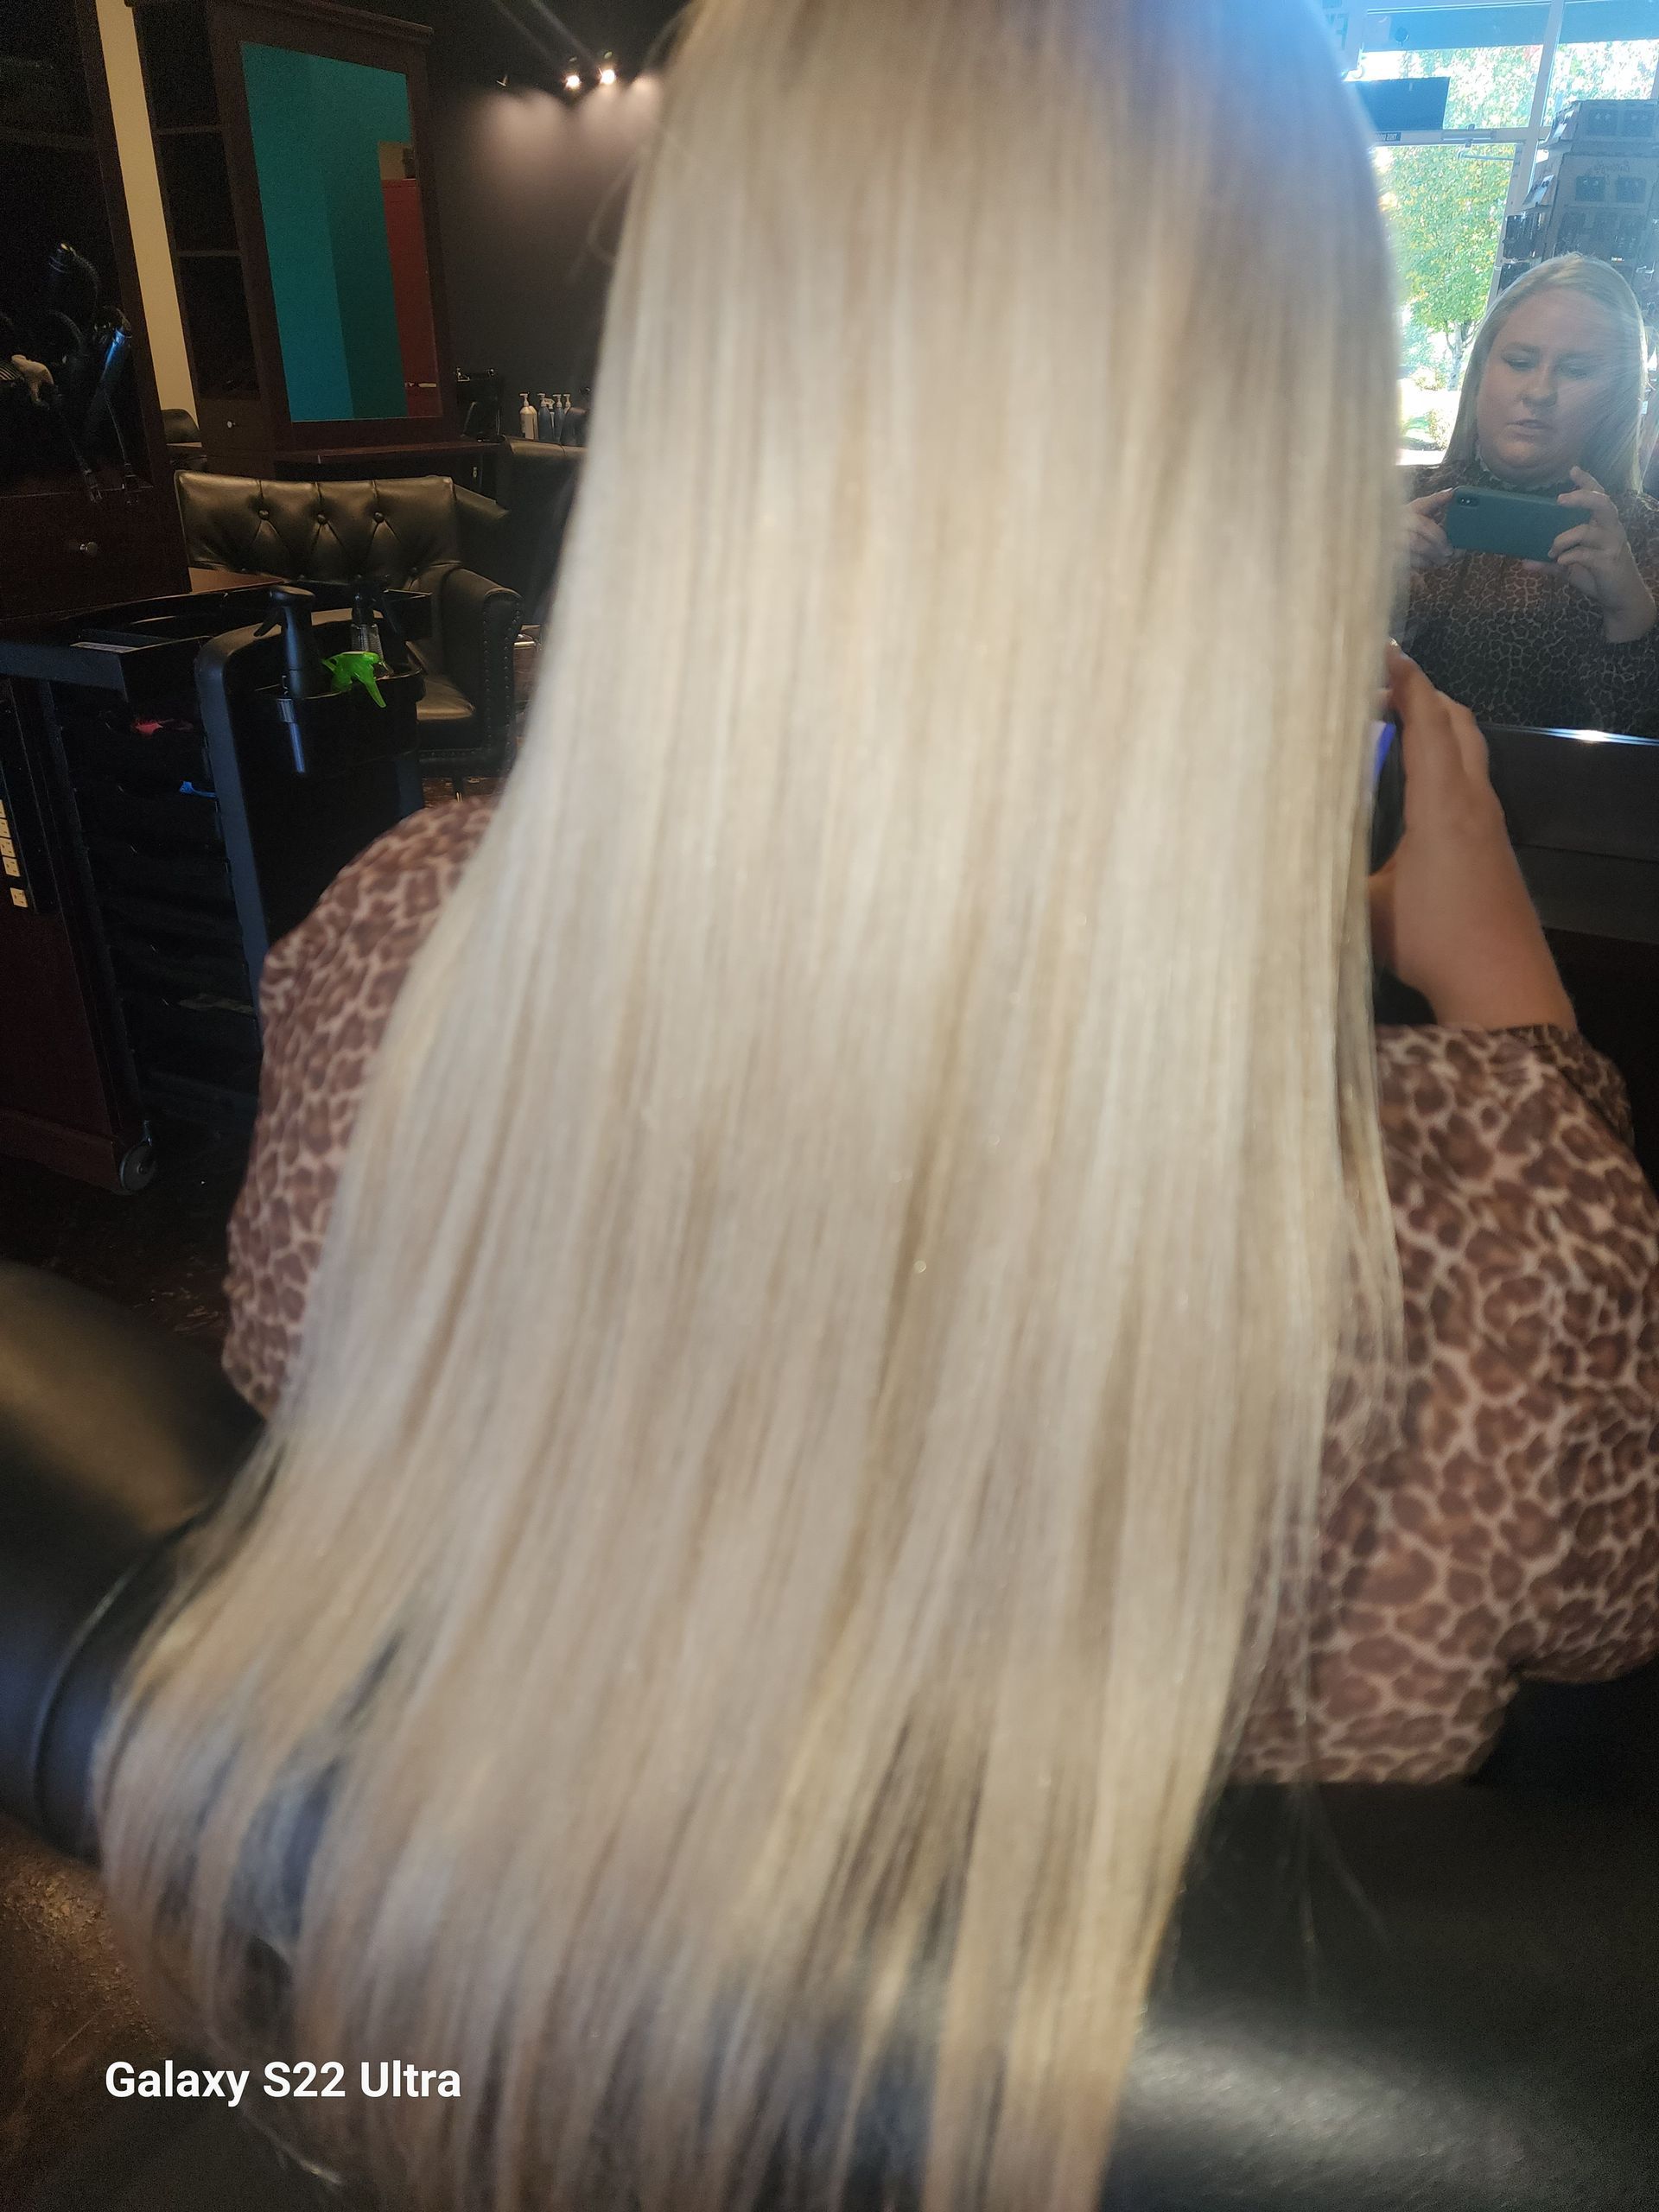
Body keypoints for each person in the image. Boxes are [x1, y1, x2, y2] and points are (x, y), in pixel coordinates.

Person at [95, 7, 1659, 2212]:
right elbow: (1610, 1602)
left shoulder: (402, 953)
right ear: (1280, 475)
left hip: (405, 2075)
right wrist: (1510, 1028)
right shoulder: (1489, 1235)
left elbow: (284, 1374)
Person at [1402, 254, 1659, 734]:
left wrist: (1628, 610)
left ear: (1618, 397)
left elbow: (1638, 760)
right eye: (1519, 362)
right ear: (1479, 375)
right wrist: (1359, 576)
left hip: (1565, 803)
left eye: (1577, 370)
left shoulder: (1646, 537)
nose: (1539, 391)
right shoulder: (1391, 502)